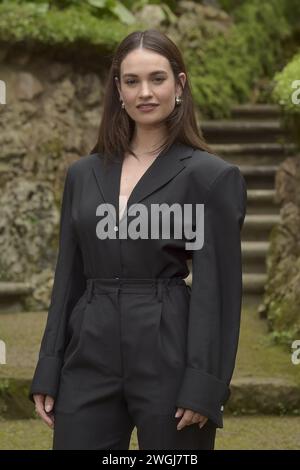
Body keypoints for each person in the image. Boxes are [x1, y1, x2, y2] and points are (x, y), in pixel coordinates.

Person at [28, 29, 247, 450]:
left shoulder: (211, 177)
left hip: (170, 348)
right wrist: (49, 366)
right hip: (89, 349)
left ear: (180, 84)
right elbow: (68, 276)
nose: (145, 92)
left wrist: (205, 382)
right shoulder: (83, 174)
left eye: (157, 79)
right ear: (118, 89)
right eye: (132, 81)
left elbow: (217, 290)